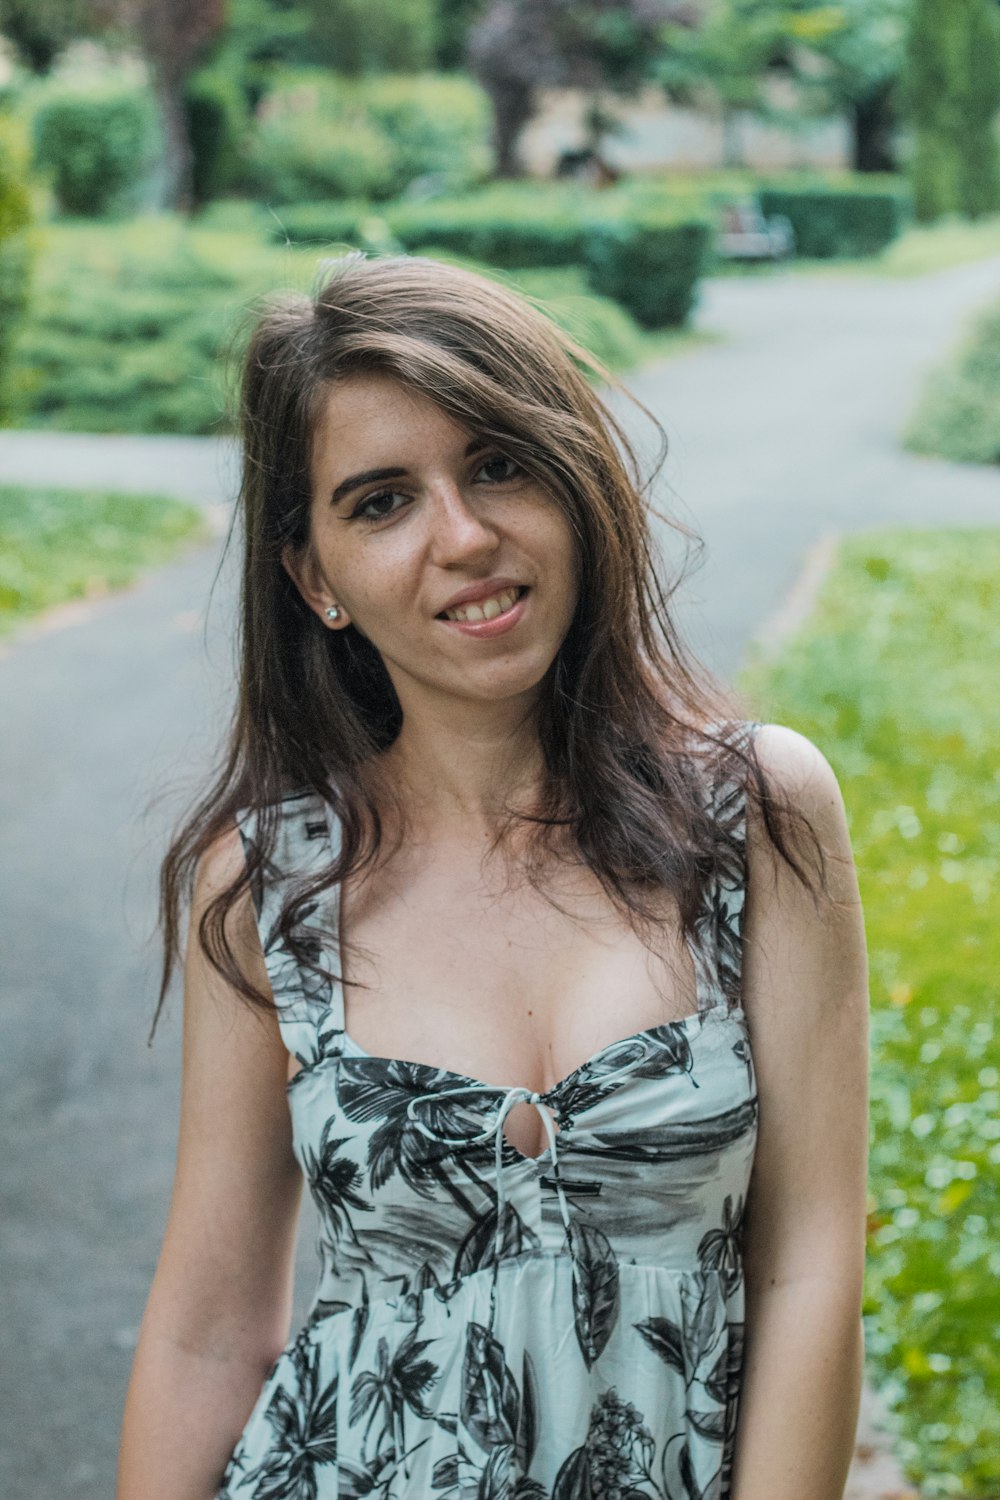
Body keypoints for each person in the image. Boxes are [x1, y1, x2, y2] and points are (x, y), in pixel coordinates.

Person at [116, 251, 869, 1500]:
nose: (462, 538)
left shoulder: (754, 814)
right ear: (316, 581)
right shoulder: (265, 884)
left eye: (497, 465)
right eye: (379, 502)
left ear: (574, 485)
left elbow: (808, 1267)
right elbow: (206, 1330)